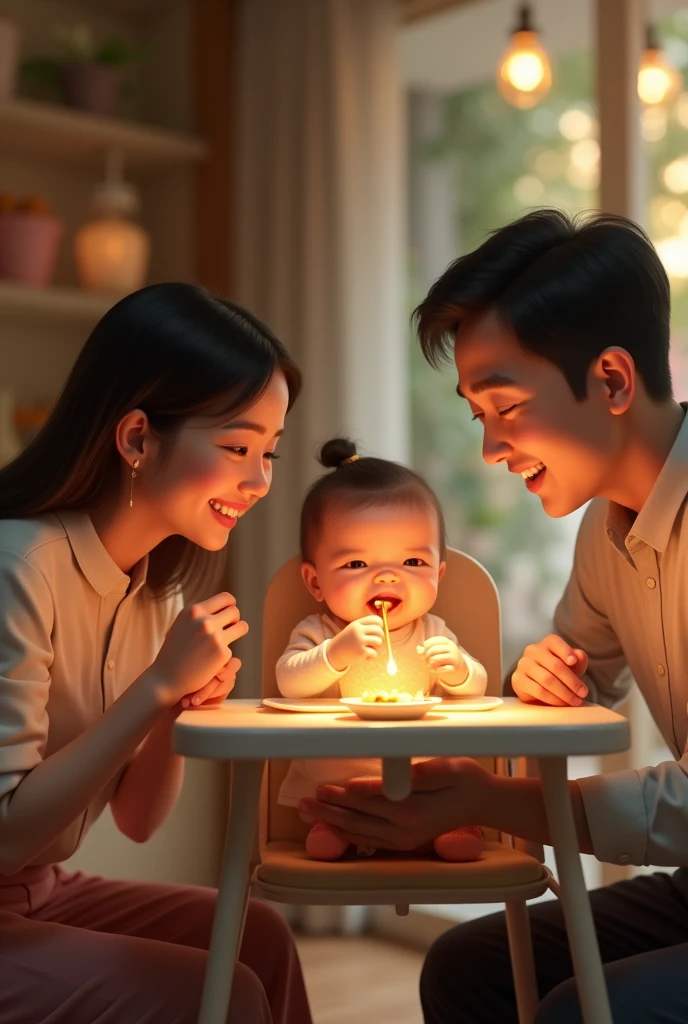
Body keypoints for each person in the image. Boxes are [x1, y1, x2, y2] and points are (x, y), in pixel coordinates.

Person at [297, 210, 688, 1023]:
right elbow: (580, 687)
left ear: (612, 380)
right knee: (468, 967)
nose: (490, 450)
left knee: (584, 1006)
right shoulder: (607, 526)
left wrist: (486, 801)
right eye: (479, 416)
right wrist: (544, 679)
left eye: (505, 407)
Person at [0, 282, 312, 1024]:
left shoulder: (157, 597)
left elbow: (139, 818)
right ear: (138, 438)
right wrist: (157, 685)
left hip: (39, 887)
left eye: (269, 452)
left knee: (257, 933)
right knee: (221, 993)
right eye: (237, 447)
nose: (260, 480)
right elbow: (7, 830)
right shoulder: (19, 564)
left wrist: (174, 703)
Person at [276, 436, 486, 862]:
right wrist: (335, 653)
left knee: (450, 788)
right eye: (357, 564)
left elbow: (477, 690)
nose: (388, 579)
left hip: (425, 786)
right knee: (333, 810)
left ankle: (453, 824)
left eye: (412, 563)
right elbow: (289, 682)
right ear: (315, 582)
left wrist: (459, 669)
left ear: (439, 575)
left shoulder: (433, 630)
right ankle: (334, 824)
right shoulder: (320, 631)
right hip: (343, 789)